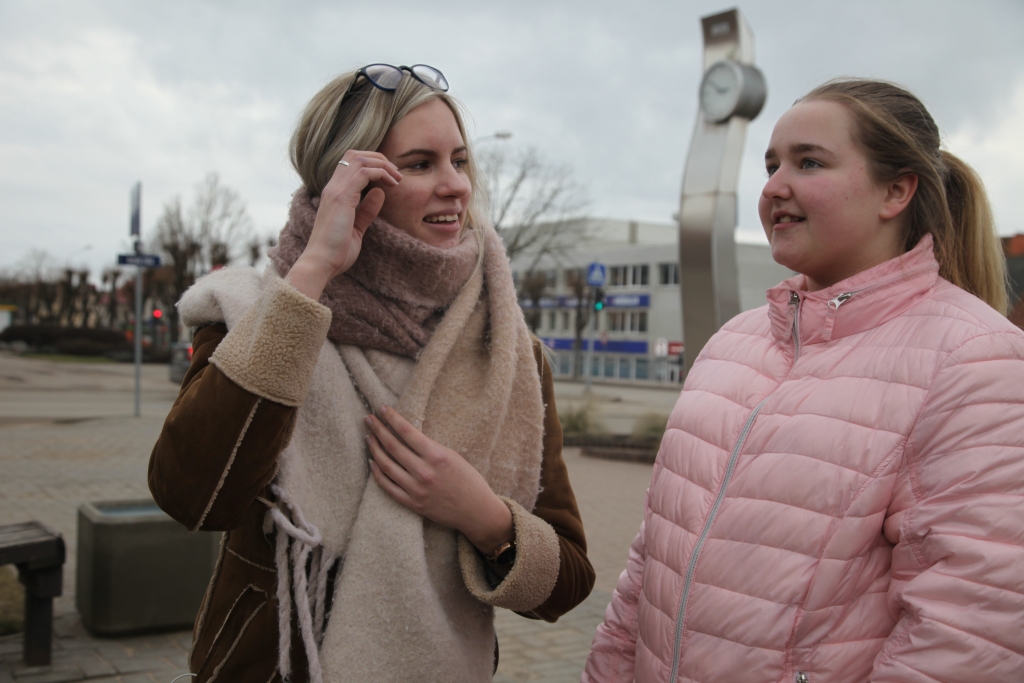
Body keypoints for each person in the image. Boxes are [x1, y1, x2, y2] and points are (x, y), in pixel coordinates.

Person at [148, 63, 594, 683]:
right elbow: (192, 496)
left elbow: (566, 583)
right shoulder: (252, 317)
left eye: (460, 162)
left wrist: (484, 517)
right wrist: (312, 275)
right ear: (346, 185)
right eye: (418, 164)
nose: (455, 187)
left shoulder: (512, 354)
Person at [583, 79, 1024, 682]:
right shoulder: (733, 342)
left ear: (896, 191)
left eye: (808, 162)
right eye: (771, 165)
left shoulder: (975, 358)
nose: (772, 188)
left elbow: (969, 627)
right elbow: (650, 562)